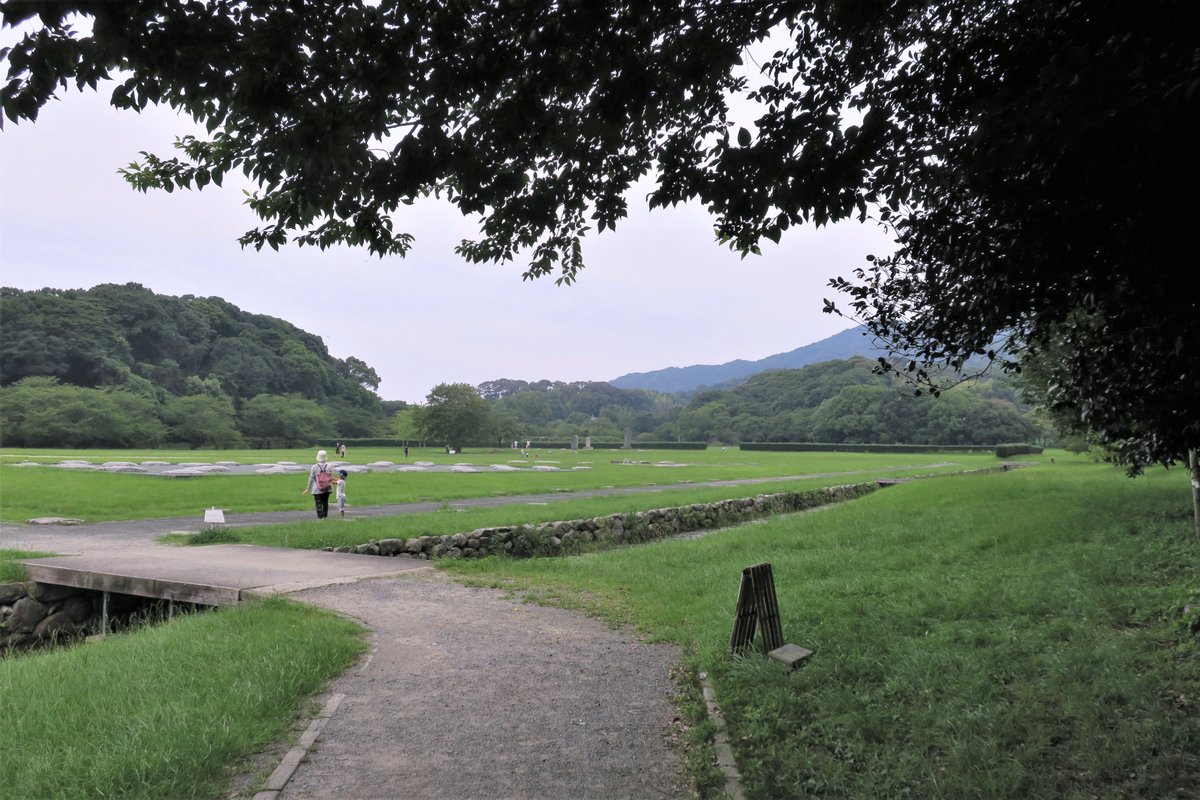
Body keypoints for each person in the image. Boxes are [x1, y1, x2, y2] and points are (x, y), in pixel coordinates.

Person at [301, 449, 335, 519]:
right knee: (325, 503)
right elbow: (330, 477)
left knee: (318, 503)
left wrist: (308, 489)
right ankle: (325, 517)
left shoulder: (314, 467)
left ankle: (320, 518)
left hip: (317, 489)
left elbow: (311, 478)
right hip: (327, 488)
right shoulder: (329, 466)